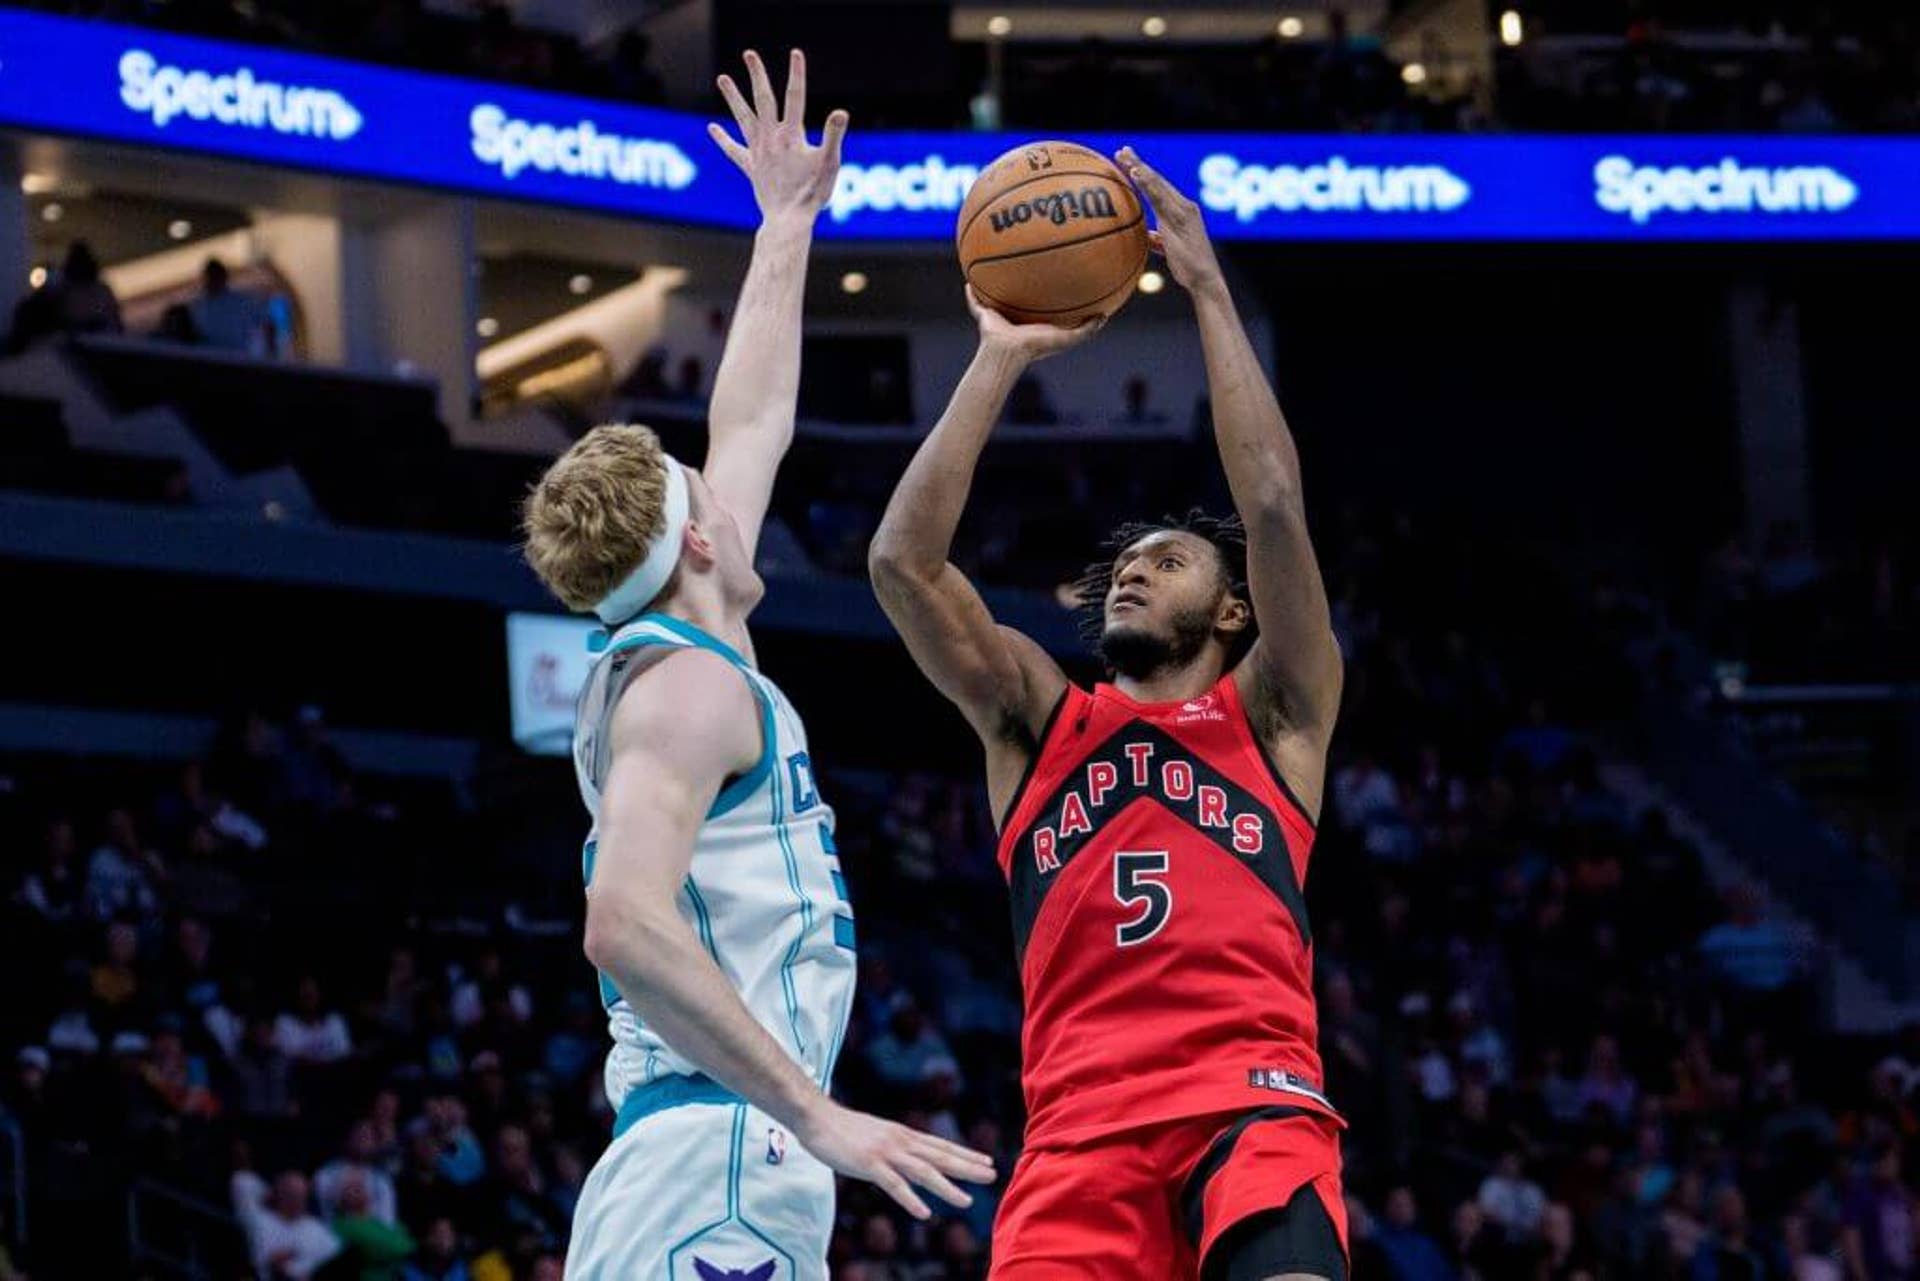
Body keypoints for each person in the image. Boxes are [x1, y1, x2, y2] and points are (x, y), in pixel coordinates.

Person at [518, 50, 990, 1280]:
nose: (736, 496)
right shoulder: (688, 690)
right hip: (720, 1152)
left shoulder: (684, 643)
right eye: (705, 494)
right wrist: (813, 1112)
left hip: (716, 1154)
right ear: (700, 542)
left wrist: (786, 225)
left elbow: (751, 420)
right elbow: (619, 920)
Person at [870, 147, 1347, 1279]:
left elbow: (1271, 499)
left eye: (1167, 561)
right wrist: (997, 358)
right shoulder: (1039, 721)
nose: (1130, 574)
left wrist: (1208, 290)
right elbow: (901, 563)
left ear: (1233, 609)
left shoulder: (1277, 718)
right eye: (1123, 566)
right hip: (1077, 1137)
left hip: (1251, 1110)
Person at [189, 257, 272, 354]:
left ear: (223, 277)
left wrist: (270, 352)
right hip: (208, 358)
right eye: (210, 277)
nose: (212, 281)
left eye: (216, 277)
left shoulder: (240, 301)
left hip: (236, 358)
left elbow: (267, 322)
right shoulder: (196, 305)